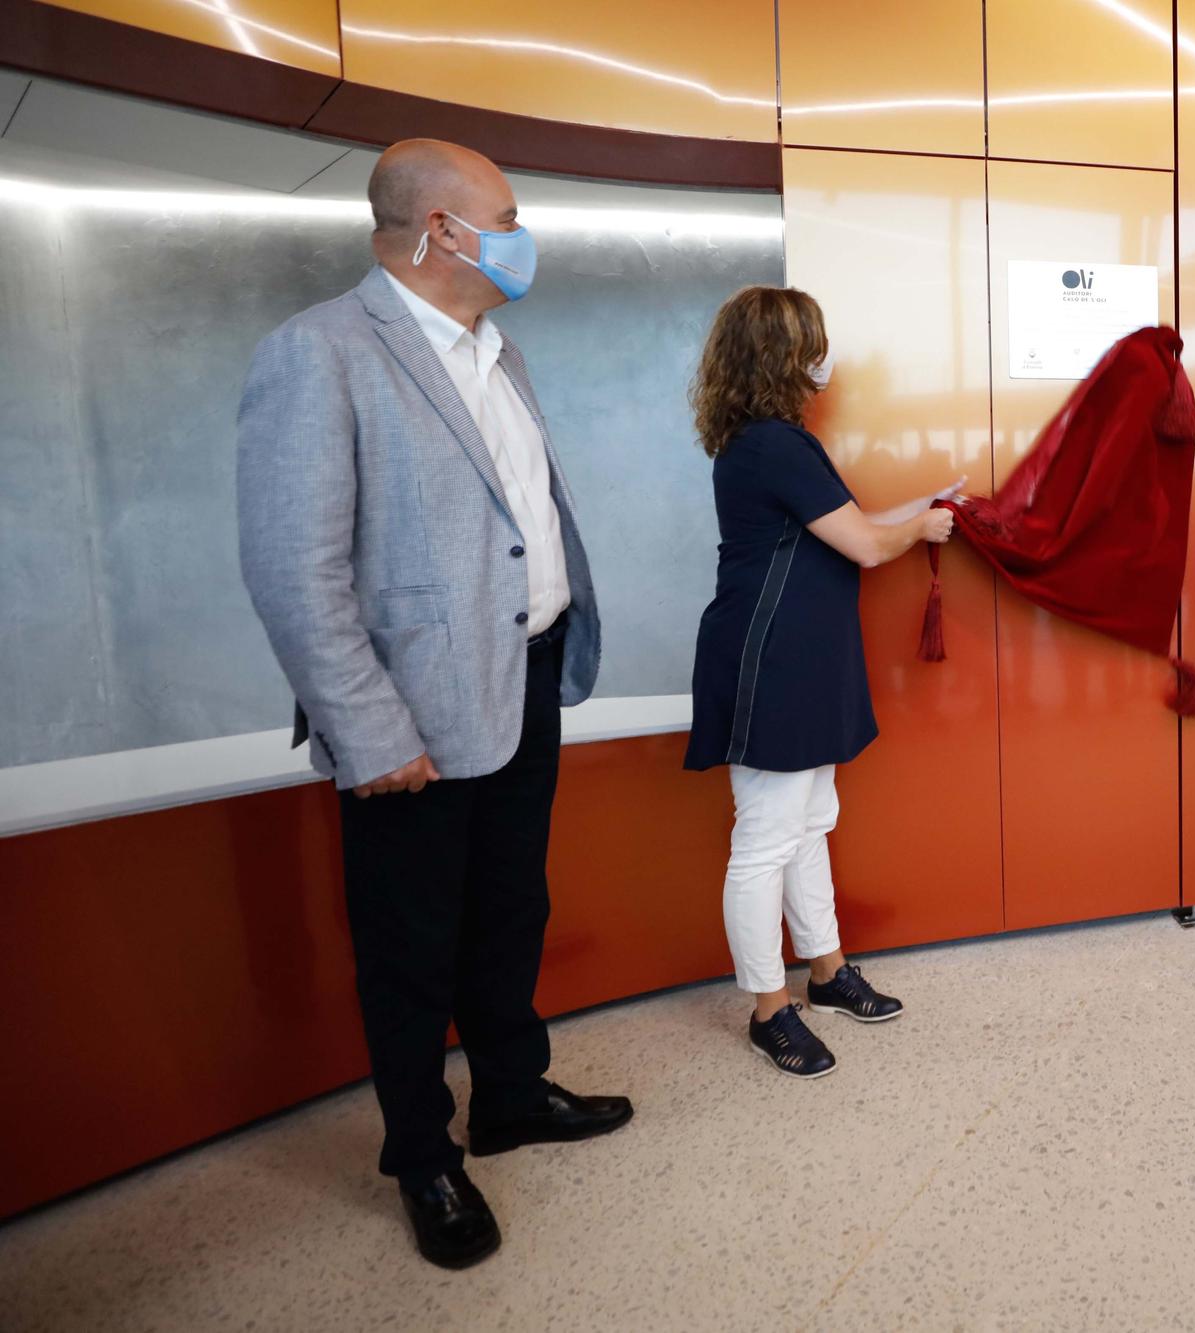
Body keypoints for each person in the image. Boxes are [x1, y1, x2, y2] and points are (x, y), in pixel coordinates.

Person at [237, 140, 632, 1269]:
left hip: (528, 678)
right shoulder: (318, 354)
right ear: (442, 233)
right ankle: (424, 1156)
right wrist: (369, 731)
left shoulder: (498, 353)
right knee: (409, 950)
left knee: (512, 910)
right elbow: (292, 569)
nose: (521, 235)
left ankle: (510, 1094)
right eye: (505, 216)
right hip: (407, 722)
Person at [683, 286, 958, 1079]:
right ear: (783, 353)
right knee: (766, 836)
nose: (822, 357)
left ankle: (828, 972)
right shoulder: (771, 444)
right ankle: (770, 1010)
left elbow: (855, 526)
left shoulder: (772, 441)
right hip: (770, 659)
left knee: (809, 821)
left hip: (800, 655)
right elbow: (870, 548)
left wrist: (927, 509)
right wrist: (920, 528)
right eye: (812, 341)